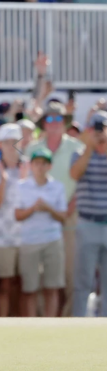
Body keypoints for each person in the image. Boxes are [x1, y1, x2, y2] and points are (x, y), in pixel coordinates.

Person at [69, 112, 107, 317]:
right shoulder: (79, 154)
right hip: (88, 223)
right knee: (83, 281)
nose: (99, 133)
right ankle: (79, 322)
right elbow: (75, 174)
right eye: (95, 129)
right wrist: (90, 147)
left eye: (102, 128)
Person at [28, 101, 83, 317]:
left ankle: (70, 319)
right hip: (38, 216)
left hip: (70, 215)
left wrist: (71, 205)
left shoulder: (77, 147)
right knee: (42, 273)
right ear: (43, 123)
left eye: (58, 118)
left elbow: (83, 180)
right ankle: (44, 320)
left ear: (64, 122)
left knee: (71, 271)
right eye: (49, 118)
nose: (54, 122)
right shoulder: (31, 148)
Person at [15, 147, 68, 317]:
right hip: (28, 241)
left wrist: (48, 208)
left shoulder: (57, 187)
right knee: (29, 289)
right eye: (37, 163)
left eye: (44, 163)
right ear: (31, 165)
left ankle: (50, 324)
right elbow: (17, 215)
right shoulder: (21, 187)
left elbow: (63, 217)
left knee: (52, 287)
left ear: (49, 166)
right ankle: (30, 325)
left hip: (52, 240)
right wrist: (32, 209)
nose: (40, 167)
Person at [0, 123, 24, 317]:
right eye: (7, 142)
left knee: (25, 285)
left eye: (15, 141)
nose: (11, 146)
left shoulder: (30, 167)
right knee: (5, 285)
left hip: (28, 235)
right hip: (4, 237)